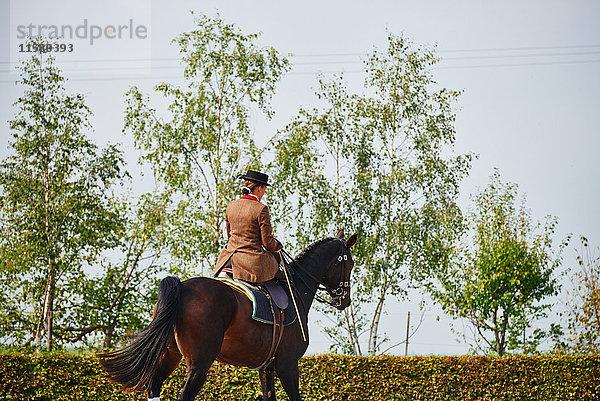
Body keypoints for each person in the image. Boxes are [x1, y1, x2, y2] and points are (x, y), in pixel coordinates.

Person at [214, 169, 282, 283]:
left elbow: (229, 235)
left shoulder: (231, 206)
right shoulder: (261, 209)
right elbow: (267, 243)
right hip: (251, 262)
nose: (264, 192)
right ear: (259, 188)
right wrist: (278, 246)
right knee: (276, 265)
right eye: (264, 189)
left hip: (227, 258)